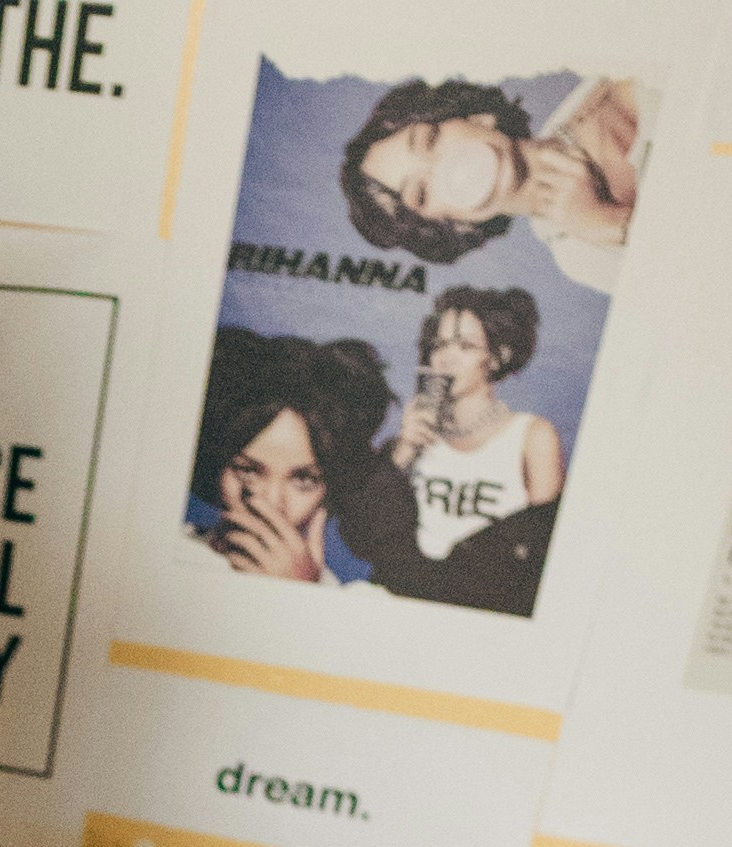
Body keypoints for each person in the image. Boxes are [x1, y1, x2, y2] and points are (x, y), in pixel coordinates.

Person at [340, 73, 652, 295]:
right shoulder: (579, 258)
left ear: (478, 118)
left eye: (430, 141)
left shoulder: (617, 86)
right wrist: (610, 224)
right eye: (421, 192)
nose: (444, 168)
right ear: (456, 227)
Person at [183, 327, 391, 583]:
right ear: (215, 467)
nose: (270, 503)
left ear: (331, 491)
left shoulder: (355, 602)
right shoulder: (169, 557)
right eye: (247, 471)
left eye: (304, 480)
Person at [386, 288, 561, 566]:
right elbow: (370, 537)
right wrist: (402, 453)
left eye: (465, 346)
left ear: (497, 357)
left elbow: (546, 548)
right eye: (439, 345)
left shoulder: (533, 436)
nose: (447, 358)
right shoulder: (413, 436)